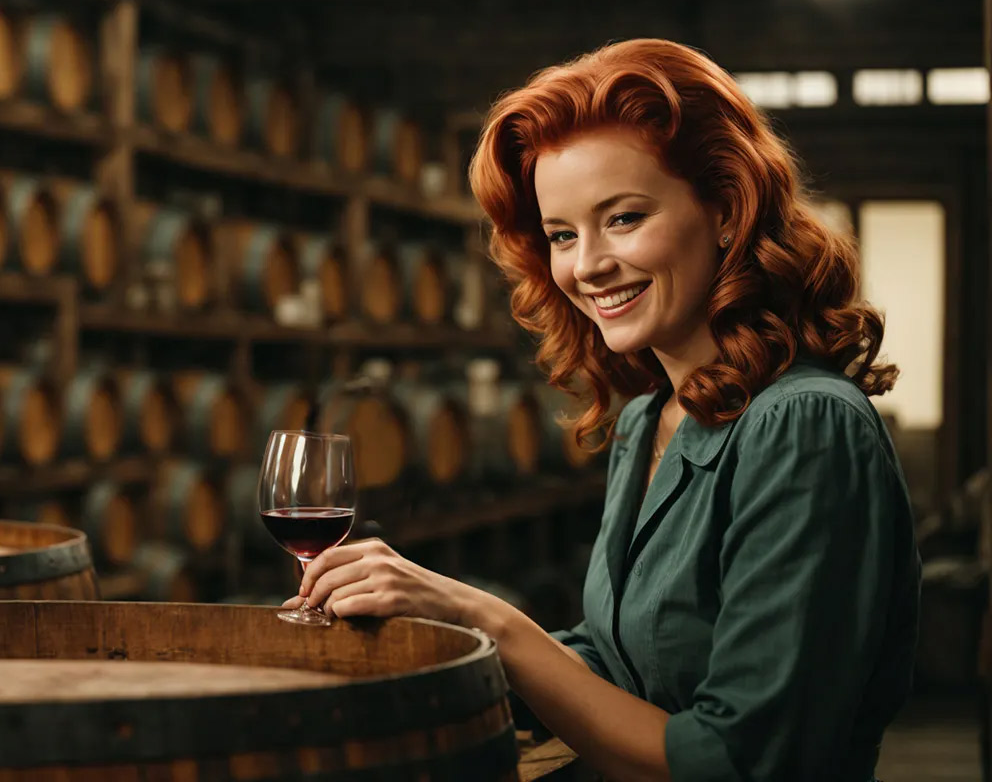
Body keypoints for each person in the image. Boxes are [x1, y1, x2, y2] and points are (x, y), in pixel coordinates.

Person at [283, 38, 921, 781]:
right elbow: (617, 665)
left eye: (622, 218)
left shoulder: (806, 426)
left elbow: (737, 761)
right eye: (561, 234)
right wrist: (433, 633)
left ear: (725, 211)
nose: (586, 266)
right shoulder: (649, 420)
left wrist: (492, 619)